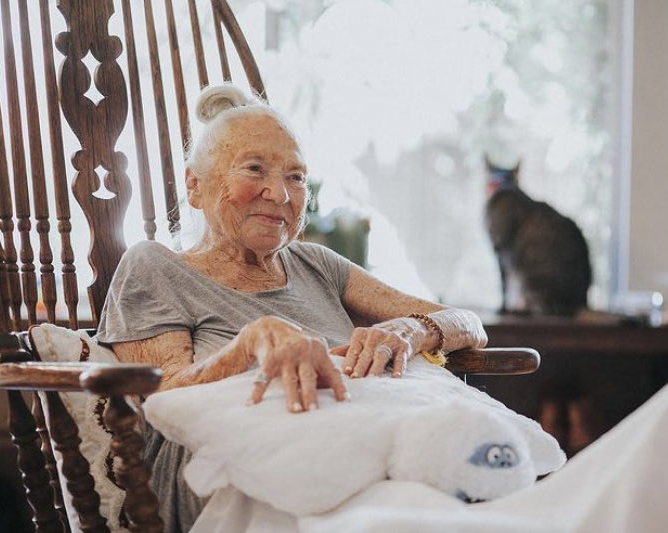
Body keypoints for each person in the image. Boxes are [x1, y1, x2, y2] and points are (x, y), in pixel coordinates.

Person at [95, 83, 489, 532]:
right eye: (254, 169)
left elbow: (467, 323)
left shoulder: (314, 263)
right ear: (196, 186)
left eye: (296, 177)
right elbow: (161, 395)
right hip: (228, 476)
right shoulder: (155, 266)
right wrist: (249, 344)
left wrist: (410, 330)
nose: (280, 195)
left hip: (358, 452)